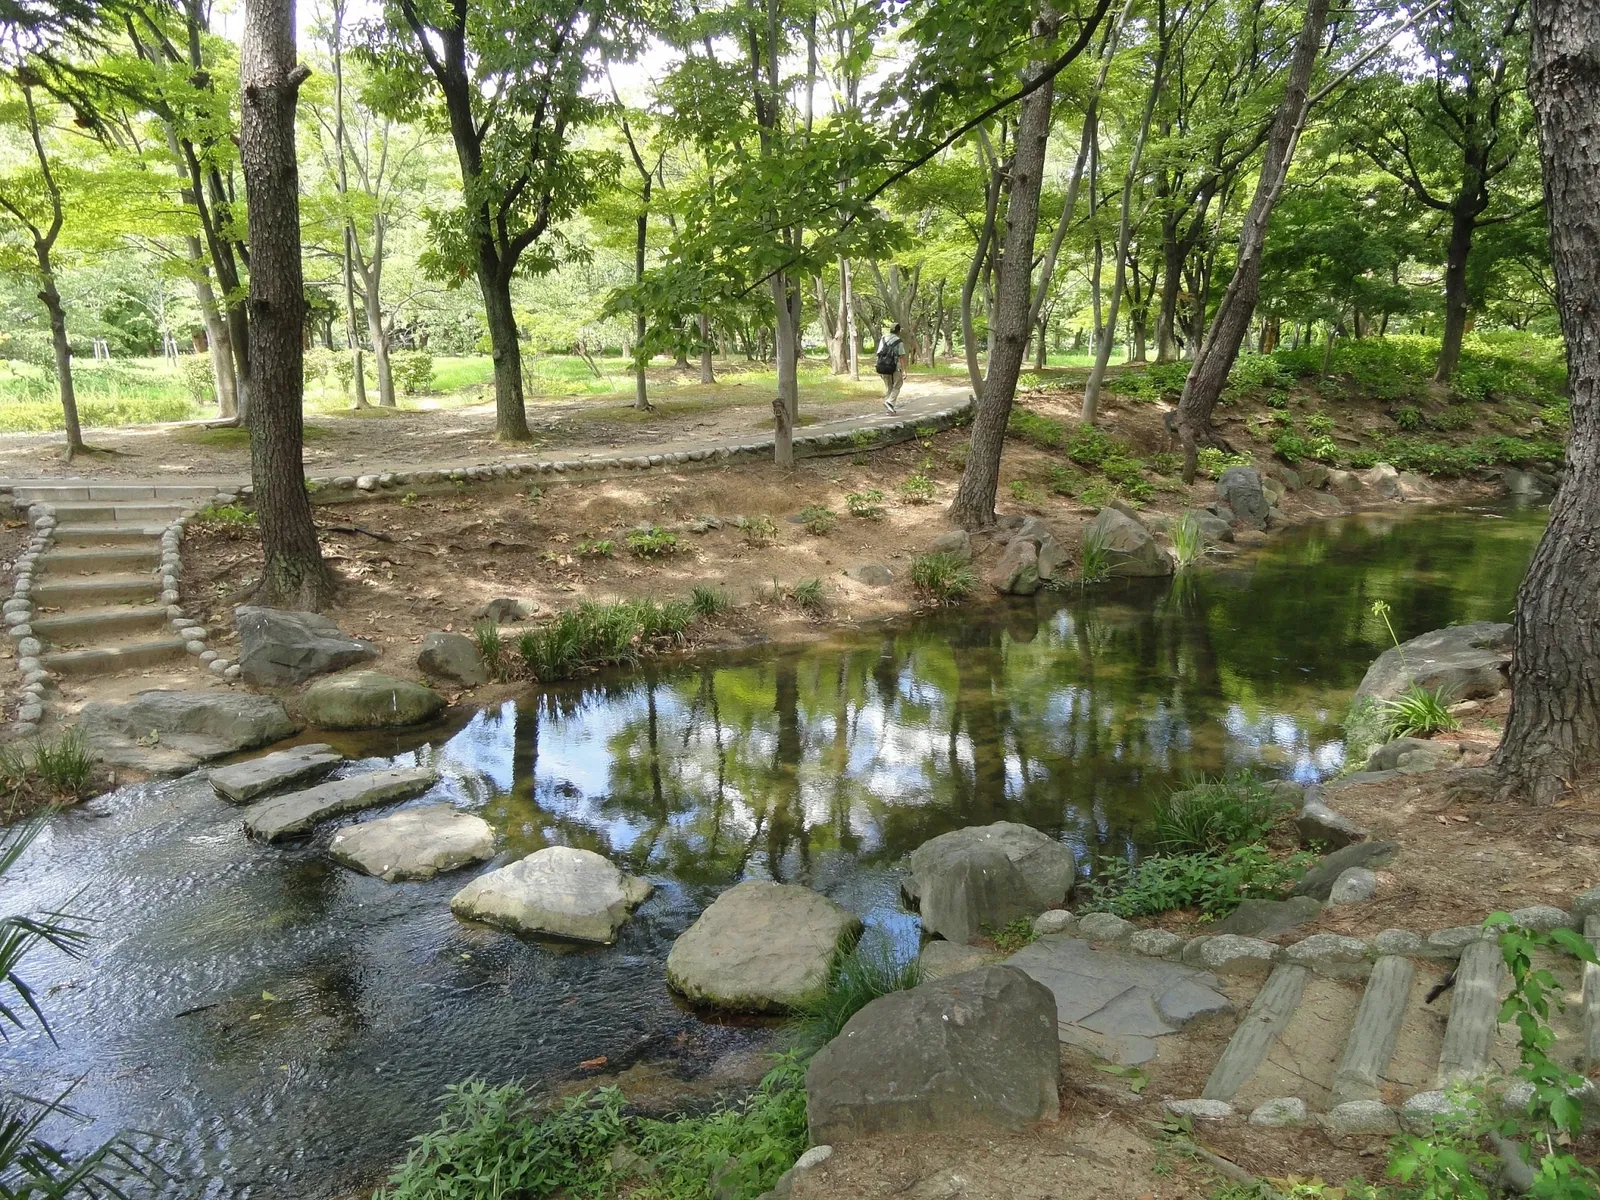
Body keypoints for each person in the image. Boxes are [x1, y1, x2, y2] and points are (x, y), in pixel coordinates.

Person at [874, 323, 907, 413]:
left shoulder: (883, 338)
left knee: (889, 387)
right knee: (897, 385)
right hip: (895, 367)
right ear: (898, 331)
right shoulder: (898, 341)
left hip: (883, 367)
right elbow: (901, 357)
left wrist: (878, 366)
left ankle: (889, 409)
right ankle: (890, 402)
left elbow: (879, 353)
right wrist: (904, 371)